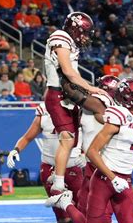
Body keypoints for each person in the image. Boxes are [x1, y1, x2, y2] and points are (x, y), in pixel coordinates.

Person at [46, 78, 133, 223]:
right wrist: (113, 177)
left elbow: (129, 147)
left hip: (124, 180)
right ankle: (65, 202)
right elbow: (93, 151)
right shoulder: (114, 113)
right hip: (103, 179)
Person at [6, 103, 85, 223]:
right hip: (50, 168)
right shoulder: (44, 110)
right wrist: (16, 149)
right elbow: (27, 136)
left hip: (74, 166)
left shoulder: (79, 107)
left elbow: (92, 133)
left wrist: (86, 154)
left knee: (81, 212)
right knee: (61, 214)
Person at [43, 12, 106, 195]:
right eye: (84, 32)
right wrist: (91, 88)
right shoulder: (60, 37)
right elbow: (68, 71)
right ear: (75, 28)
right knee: (67, 139)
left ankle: (57, 174)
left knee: (74, 137)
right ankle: (58, 183)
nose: (86, 37)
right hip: (58, 95)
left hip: (68, 95)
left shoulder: (69, 42)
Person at [74, 75, 130, 223]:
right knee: (85, 213)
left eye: (100, 89)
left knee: (103, 218)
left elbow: (124, 143)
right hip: (88, 166)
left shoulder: (107, 111)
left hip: (103, 168)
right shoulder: (89, 112)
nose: (96, 92)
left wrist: (65, 78)